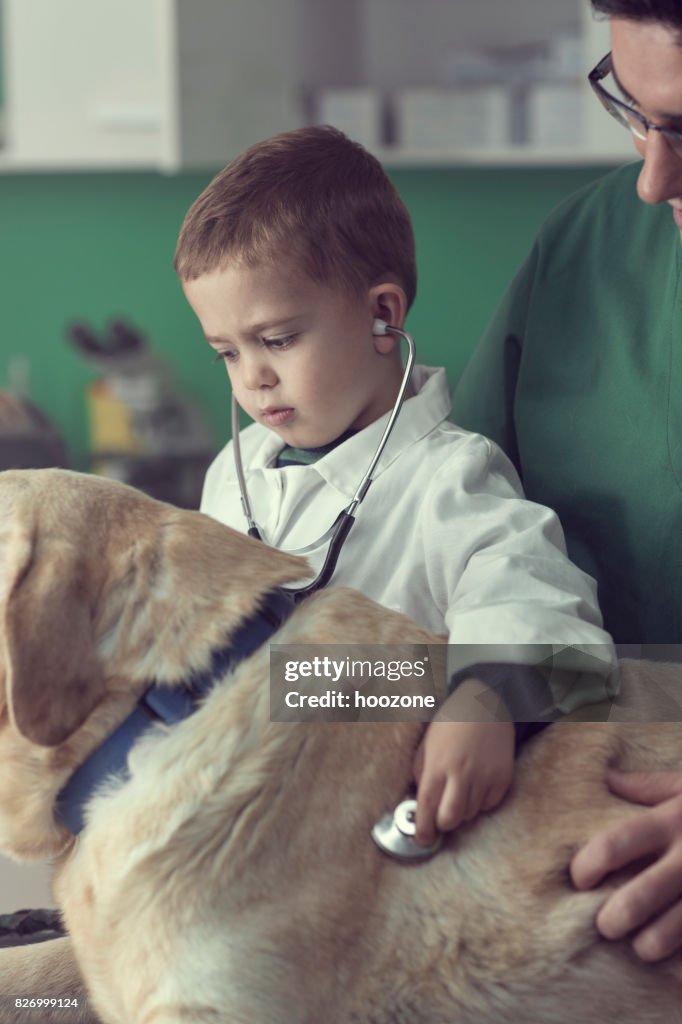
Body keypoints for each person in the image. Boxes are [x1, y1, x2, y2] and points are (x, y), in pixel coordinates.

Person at [174, 124, 616, 848]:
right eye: (227, 351)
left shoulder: (451, 477)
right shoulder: (236, 473)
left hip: (383, 822)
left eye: (278, 339)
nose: (253, 377)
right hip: (254, 815)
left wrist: (485, 700)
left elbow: (546, 618)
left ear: (383, 315)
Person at [451, 0, 682, 962]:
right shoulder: (585, 253)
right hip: (573, 786)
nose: (653, 178)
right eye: (634, 110)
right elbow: (468, 534)